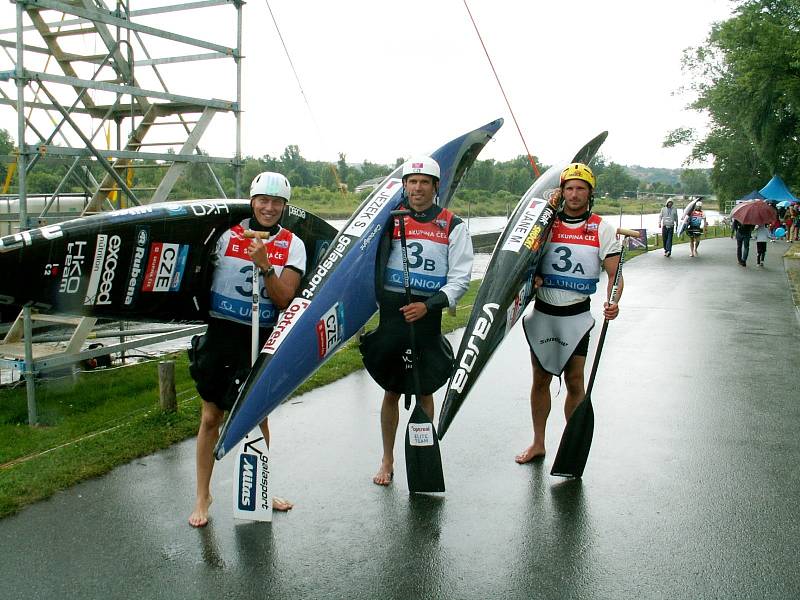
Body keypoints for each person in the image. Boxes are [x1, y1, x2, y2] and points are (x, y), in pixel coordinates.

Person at [187, 171, 306, 527]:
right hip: (222, 334)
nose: (269, 208)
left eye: (277, 203)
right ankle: (202, 496)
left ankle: (261, 491)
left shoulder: (292, 244)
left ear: (285, 206)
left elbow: (285, 298)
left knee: (257, 416)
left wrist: (266, 264)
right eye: (263, 201)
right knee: (211, 418)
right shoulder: (225, 235)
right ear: (253, 202)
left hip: (261, 338)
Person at [360, 155, 473, 486]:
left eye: (425, 183)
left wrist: (429, 305)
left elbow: (460, 279)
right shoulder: (390, 221)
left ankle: (424, 450)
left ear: (436, 187)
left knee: (425, 390)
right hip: (393, 312)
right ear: (405, 186)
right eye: (412, 182)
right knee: (392, 389)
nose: (418, 188)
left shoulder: (453, 225)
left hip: (426, 315)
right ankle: (387, 459)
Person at [515, 163, 622, 464]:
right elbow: (525, 261)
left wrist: (613, 301)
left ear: (590, 193)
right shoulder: (546, 224)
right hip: (544, 312)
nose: (574, 194)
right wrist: (532, 278)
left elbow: (615, 274)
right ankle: (538, 442)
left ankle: (570, 444)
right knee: (540, 379)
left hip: (577, 315)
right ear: (561, 192)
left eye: (580, 189)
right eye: (569, 188)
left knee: (576, 381)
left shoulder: (602, 227)